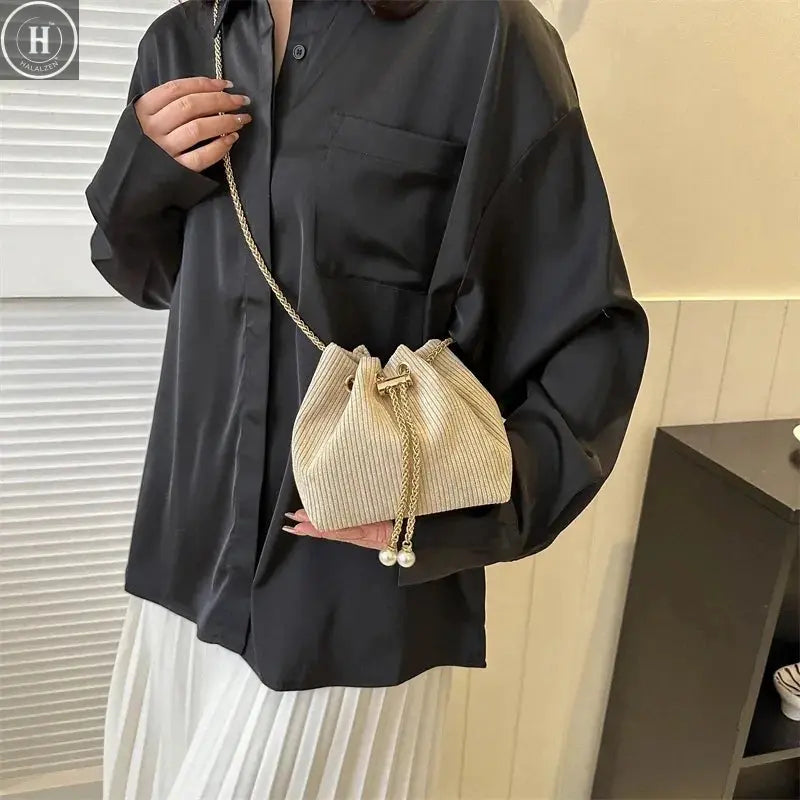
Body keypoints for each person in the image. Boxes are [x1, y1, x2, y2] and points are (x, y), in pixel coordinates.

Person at [85, 0, 649, 797]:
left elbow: (590, 335)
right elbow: (143, 272)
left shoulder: (485, 35)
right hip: (186, 560)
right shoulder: (182, 38)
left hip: (349, 596)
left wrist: (455, 509)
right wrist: (147, 170)